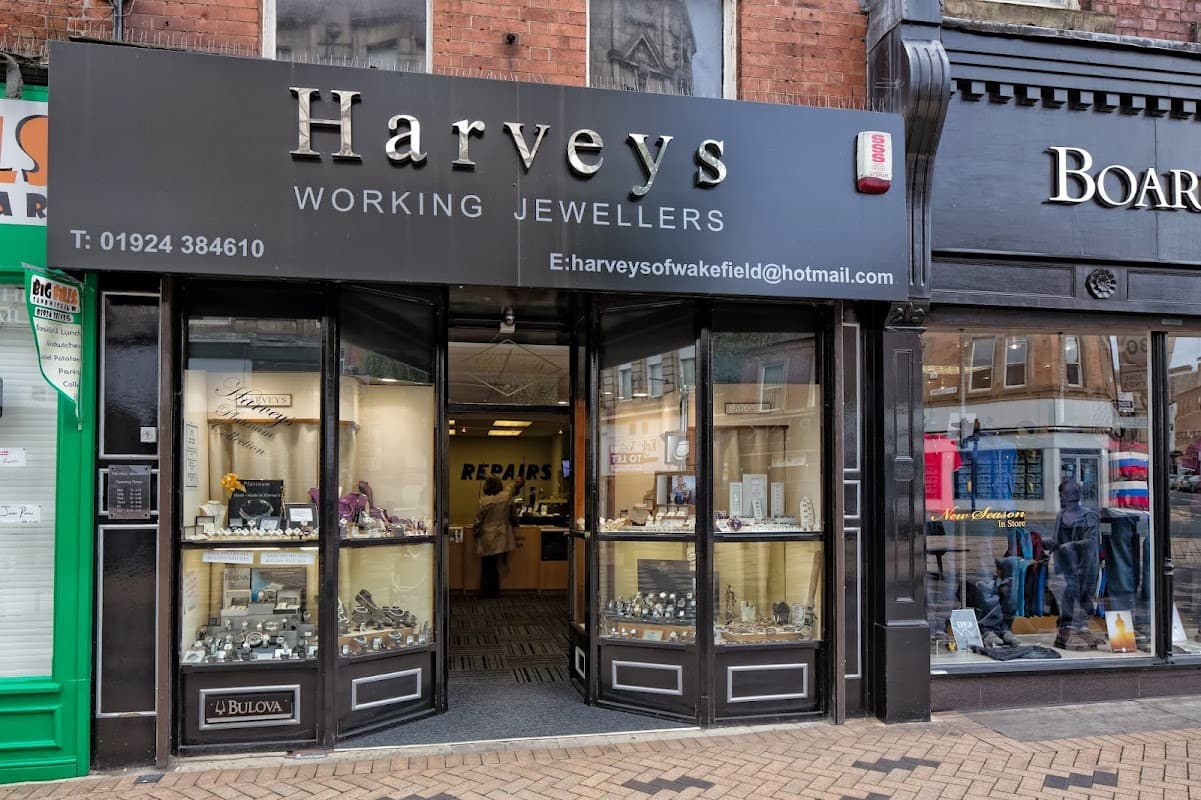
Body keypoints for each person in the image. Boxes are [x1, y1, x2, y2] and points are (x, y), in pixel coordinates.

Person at [1050, 478, 1103, 650]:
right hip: (1067, 564)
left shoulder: (1088, 516)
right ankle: (1067, 627)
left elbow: (1091, 541)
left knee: (1085, 593)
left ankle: (1082, 627)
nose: (1062, 498)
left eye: (1066, 494)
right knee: (1069, 591)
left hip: (1085, 563)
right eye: (1061, 494)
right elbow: (1057, 539)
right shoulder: (1061, 516)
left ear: (1076, 495)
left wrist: (1070, 545)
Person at [473, 475, 525, 598]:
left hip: (486, 536)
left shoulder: (483, 501)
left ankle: (485, 591)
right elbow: (514, 515)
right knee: (497, 564)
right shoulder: (506, 498)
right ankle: (495, 591)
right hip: (501, 535)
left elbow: (478, 520)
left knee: (486, 565)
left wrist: (475, 532)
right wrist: (516, 525)